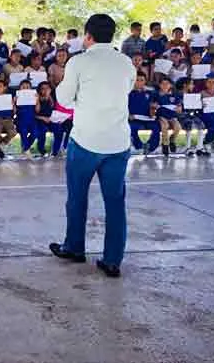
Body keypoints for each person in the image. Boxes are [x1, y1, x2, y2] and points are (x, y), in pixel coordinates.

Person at [49, 14, 135, 278]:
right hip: (118, 142)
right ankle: (112, 260)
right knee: (115, 202)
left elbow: (64, 98)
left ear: (88, 36)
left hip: (86, 140)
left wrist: (80, 99)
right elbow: (127, 90)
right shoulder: (125, 62)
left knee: (77, 198)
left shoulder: (79, 62)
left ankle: (74, 247)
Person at [128, 72, 160, 155]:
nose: (139, 82)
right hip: (134, 118)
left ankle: (150, 147)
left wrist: (153, 108)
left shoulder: (150, 93)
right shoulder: (129, 93)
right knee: (133, 128)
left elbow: (156, 104)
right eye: (137, 80)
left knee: (156, 127)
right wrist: (128, 115)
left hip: (147, 118)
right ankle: (139, 146)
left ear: (145, 81)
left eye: (141, 80)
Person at [0, 79, 17, 159]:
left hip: (8, 119)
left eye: (0, 86)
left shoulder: (9, 97)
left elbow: (14, 112)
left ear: (5, 87)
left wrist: (13, 104)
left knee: (13, 133)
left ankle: (0, 142)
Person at [155, 78, 181, 157]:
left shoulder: (174, 95)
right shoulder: (156, 94)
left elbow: (179, 105)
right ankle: (165, 144)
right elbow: (152, 104)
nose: (165, 85)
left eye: (167, 84)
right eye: (163, 84)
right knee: (164, 126)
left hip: (172, 116)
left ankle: (172, 140)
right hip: (161, 116)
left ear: (171, 85)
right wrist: (154, 105)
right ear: (160, 85)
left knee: (178, 127)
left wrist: (178, 108)